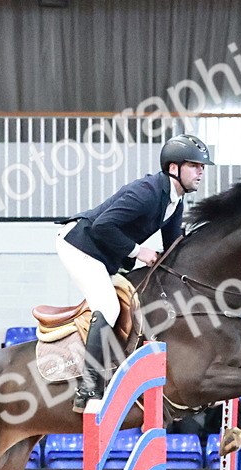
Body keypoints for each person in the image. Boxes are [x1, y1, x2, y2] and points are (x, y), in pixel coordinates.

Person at [56, 133, 215, 411]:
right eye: (194, 165)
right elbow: (102, 226)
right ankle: (89, 389)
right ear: (173, 168)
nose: (201, 171)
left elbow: (172, 247)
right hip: (79, 244)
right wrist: (138, 251)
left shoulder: (175, 201)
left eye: (202, 166)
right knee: (107, 305)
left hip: (103, 252)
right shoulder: (147, 192)